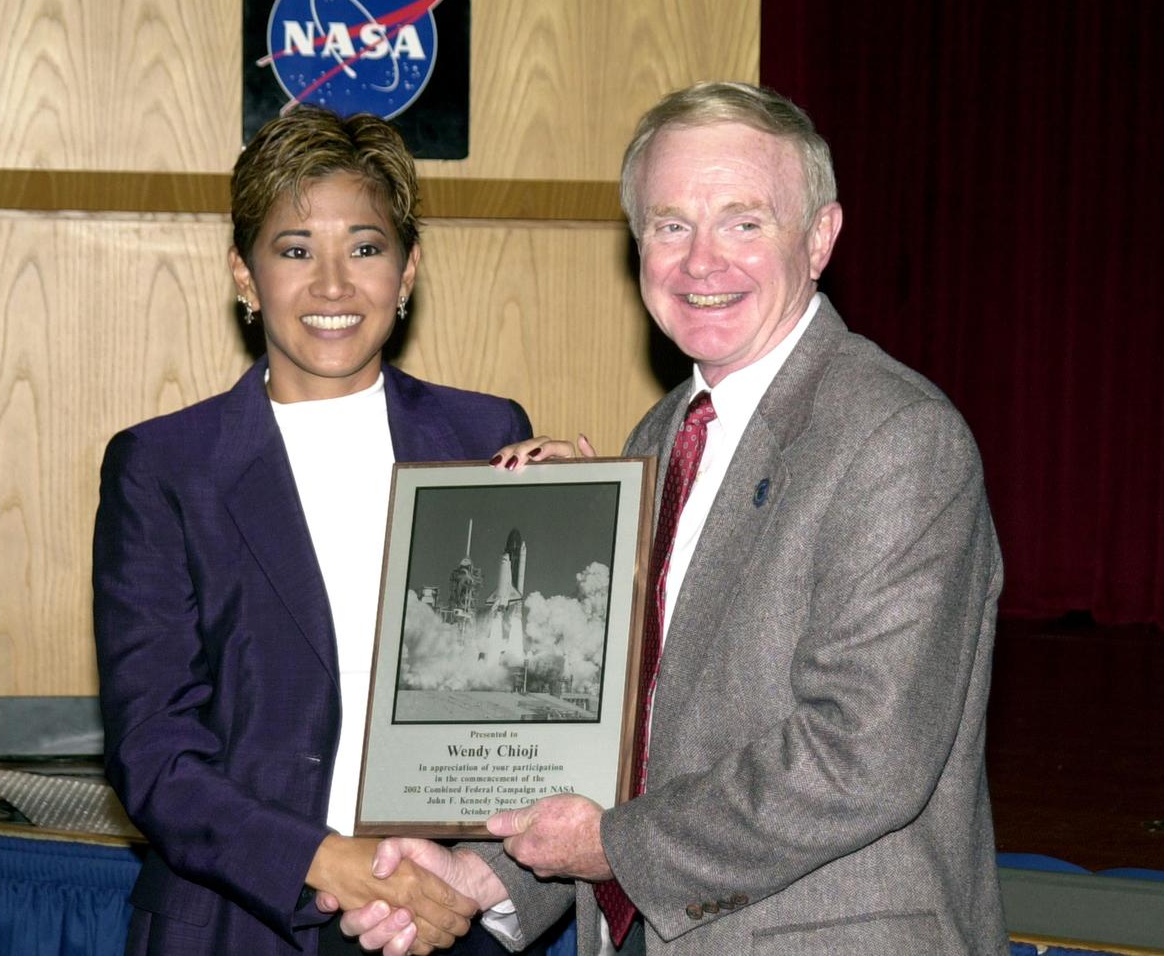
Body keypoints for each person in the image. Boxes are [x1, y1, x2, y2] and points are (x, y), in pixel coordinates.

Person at [336, 81, 1008, 954]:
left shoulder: (898, 440)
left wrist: (609, 848)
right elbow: (636, 741)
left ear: (821, 238)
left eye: (744, 221)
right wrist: (480, 880)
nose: (701, 262)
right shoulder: (658, 438)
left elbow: (860, 759)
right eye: (669, 225)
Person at [92, 107, 534, 955]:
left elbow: (518, 715)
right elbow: (154, 754)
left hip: (441, 920)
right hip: (235, 926)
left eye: (366, 249)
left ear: (407, 272)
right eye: (295, 251)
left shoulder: (486, 437)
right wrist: (331, 861)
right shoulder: (165, 465)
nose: (333, 285)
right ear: (245, 276)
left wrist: (577, 509)